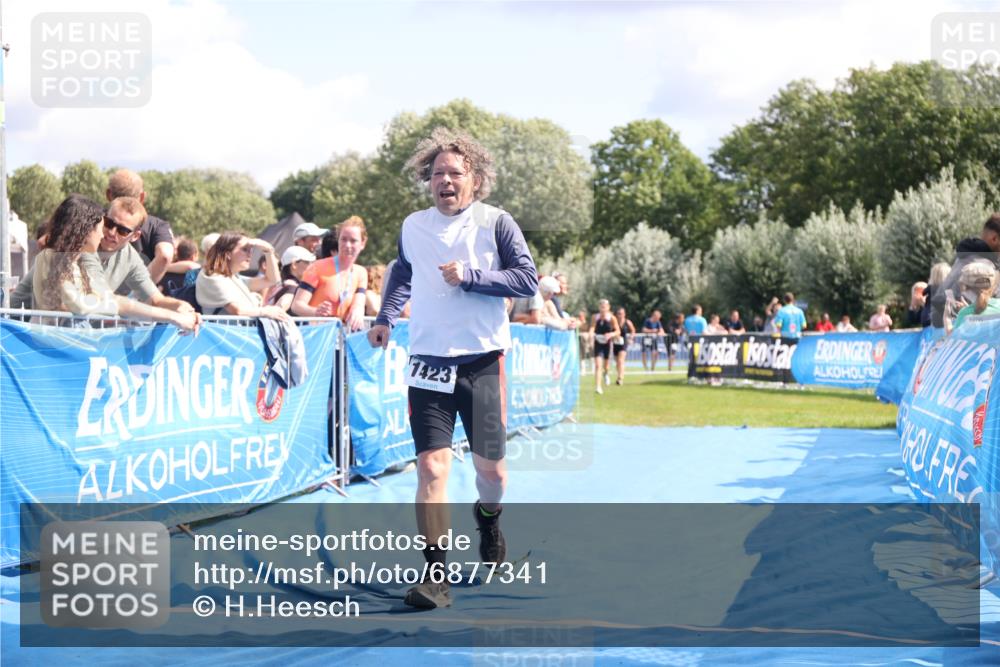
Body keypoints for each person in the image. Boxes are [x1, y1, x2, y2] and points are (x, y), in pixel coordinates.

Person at [367, 128, 537, 609]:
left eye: (455, 173)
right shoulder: (413, 226)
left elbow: (526, 278)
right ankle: (434, 578)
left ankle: (488, 519)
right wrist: (384, 317)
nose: (445, 180)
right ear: (428, 181)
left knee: (494, 472)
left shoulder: (497, 222)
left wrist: (473, 277)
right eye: (437, 173)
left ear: (475, 180)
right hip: (427, 363)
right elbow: (403, 271)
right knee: (430, 467)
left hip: (482, 361)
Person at [31, 195, 200, 332]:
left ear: (135, 236)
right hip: (51, 347)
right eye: (108, 223)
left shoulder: (129, 257)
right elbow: (113, 302)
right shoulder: (76, 252)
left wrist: (182, 307)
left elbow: (155, 299)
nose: (110, 233)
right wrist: (173, 317)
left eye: (122, 230)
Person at [291, 216, 368, 331]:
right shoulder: (317, 267)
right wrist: (316, 311)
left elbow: (359, 303)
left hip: (344, 339)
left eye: (353, 240)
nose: (347, 245)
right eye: (343, 239)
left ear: (362, 243)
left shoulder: (361, 272)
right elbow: (296, 306)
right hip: (318, 338)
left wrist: (358, 311)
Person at [195, 231, 288, 320]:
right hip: (224, 334)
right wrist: (267, 311)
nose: (250, 254)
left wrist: (268, 251)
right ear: (228, 254)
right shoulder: (214, 277)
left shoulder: (234, 278)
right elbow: (237, 310)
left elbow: (272, 280)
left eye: (251, 249)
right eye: (245, 249)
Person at [106, 169, 175, 284]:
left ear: (108, 194)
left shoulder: (95, 220)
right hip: (139, 299)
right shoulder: (157, 226)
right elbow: (165, 256)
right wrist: (138, 289)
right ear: (142, 197)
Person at [931, 214, 1000, 327]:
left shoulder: (963, 259)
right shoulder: (986, 267)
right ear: (994, 239)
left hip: (943, 329)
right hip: (964, 330)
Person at [951, 263, 1000, 330]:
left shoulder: (964, 314)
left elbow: (954, 337)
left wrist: (946, 318)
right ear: (992, 286)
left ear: (965, 287)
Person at [267, 246, 315, 312]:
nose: (312, 266)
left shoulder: (282, 284)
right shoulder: (292, 288)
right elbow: (279, 309)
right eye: (307, 262)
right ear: (294, 264)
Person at [591, 299, 620, 394]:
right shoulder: (595, 317)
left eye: (605, 307)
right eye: (601, 307)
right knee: (598, 365)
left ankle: (606, 373)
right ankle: (598, 387)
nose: (603, 309)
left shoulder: (612, 318)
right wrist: (590, 333)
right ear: (599, 308)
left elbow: (617, 331)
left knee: (606, 365)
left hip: (607, 343)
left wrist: (611, 334)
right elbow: (592, 327)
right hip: (598, 342)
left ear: (608, 307)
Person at [921, 262, 951, 328]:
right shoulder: (947, 289)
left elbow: (923, 293)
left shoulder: (930, 287)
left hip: (927, 315)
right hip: (938, 317)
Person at [612, 306, 635, 385]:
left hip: (623, 343)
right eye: (618, 314)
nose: (620, 315)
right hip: (615, 343)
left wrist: (631, 338)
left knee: (621, 360)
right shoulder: (614, 322)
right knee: (617, 362)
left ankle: (620, 378)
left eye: (621, 314)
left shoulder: (627, 322)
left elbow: (633, 330)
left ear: (624, 314)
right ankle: (619, 374)